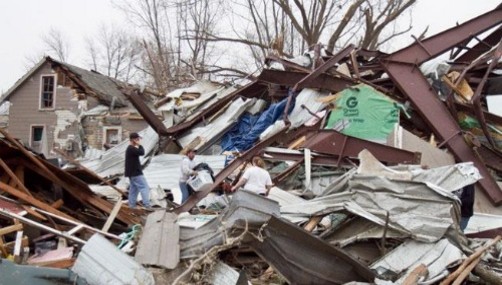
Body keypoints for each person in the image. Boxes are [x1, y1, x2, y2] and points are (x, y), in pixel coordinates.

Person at [125, 132, 151, 209]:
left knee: (134, 190)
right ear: (133, 139)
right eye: (137, 139)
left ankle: (131, 206)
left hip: (132, 173)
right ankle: (147, 205)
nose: (139, 140)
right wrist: (139, 145)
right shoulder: (131, 148)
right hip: (136, 173)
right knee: (144, 187)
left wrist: (138, 144)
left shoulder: (130, 149)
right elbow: (142, 152)